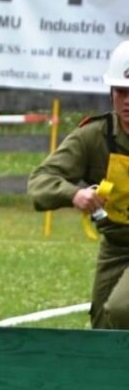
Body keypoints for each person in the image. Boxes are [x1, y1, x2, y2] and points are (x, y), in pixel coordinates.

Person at [29, 40, 129, 328]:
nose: (127, 100)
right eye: (121, 92)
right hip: (116, 246)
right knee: (102, 329)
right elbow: (40, 182)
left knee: (122, 309)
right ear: (111, 94)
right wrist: (75, 195)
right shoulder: (94, 136)